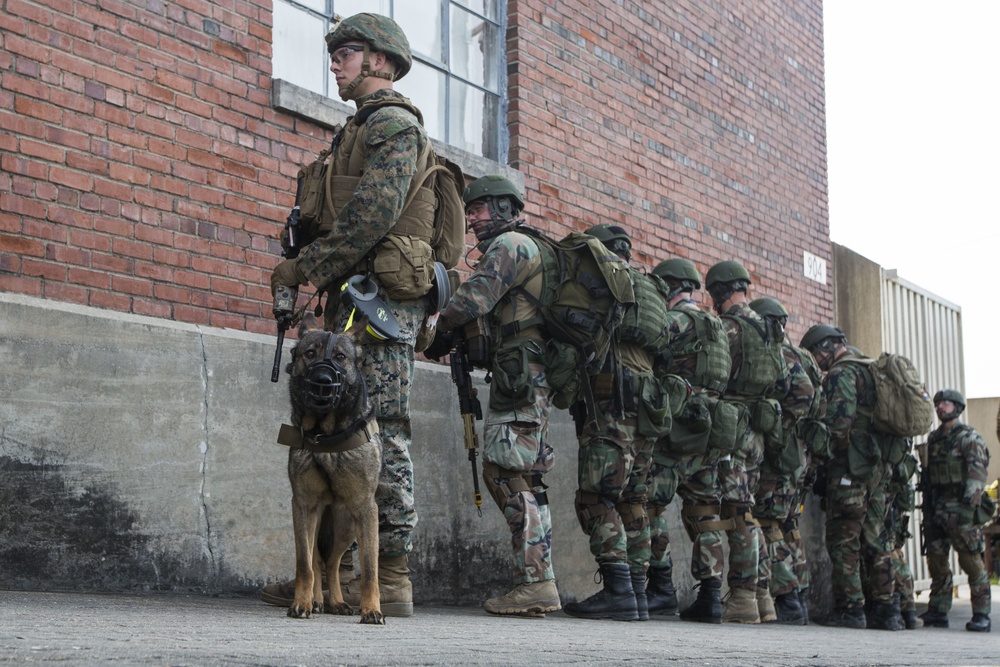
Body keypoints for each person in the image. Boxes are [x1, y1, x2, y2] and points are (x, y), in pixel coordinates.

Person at [266, 13, 432, 617]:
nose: (335, 63)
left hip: (381, 306)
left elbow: (371, 218)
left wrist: (304, 267)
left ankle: (388, 576)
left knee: (381, 431)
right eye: (334, 54)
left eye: (349, 53)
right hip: (355, 297)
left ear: (382, 62)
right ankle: (325, 571)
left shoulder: (391, 122)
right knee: (335, 434)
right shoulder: (357, 129)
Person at [430, 175, 562, 618]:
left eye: (479, 208)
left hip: (520, 376)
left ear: (505, 208)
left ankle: (537, 582)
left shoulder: (511, 244)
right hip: (532, 374)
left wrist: (436, 327)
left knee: (503, 473)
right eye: (469, 210)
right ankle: (539, 579)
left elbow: (475, 297)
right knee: (530, 481)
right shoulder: (533, 246)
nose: (471, 218)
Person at [563, 225, 672, 621]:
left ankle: (618, 591)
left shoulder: (605, 279)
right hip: (649, 403)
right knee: (634, 498)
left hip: (612, 397)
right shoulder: (651, 290)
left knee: (598, 497)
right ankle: (637, 594)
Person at [645, 258, 732, 624]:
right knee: (706, 513)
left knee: (650, 504)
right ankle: (711, 596)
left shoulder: (673, 322)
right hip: (711, 430)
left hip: (676, 427)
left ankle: (661, 586)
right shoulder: (720, 328)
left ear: (668, 287)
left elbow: (651, 363)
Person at [799, 325, 898, 630]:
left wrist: (816, 461)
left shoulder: (843, 373)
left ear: (827, 347)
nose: (817, 363)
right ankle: (886, 610)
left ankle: (851, 609)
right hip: (880, 469)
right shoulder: (871, 368)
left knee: (844, 538)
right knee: (876, 537)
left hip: (852, 469)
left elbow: (838, 426)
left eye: (816, 355)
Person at [705, 261, 788, 624]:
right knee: (749, 510)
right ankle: (762, 598)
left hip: (731, 430)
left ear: (720, 291)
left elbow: (715, 374)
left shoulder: (730, 328)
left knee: (738, 514)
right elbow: (783, 382)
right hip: (758, 433)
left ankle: (742, 596)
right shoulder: (769, 329)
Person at [748, 297, 818, 626]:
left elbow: (803, 392)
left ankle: (788, 598)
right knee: (788, 525)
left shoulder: (780, 351)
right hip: (799, 455)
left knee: (767, 523)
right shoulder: (803, 354)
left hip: (782, 453)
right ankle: (799, 596)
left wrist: (780, 427)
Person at [919, 389, 992, 632]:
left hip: (961, 509)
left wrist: (969, 508)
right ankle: (939, 609)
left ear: (958, 408)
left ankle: (981, 613)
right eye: (938, 404)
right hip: (937, 509)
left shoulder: (969, 437)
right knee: (937, 561)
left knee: (971, 561)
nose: (941, 407)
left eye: (947, 404)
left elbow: (977, 475)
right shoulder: (934, 439)